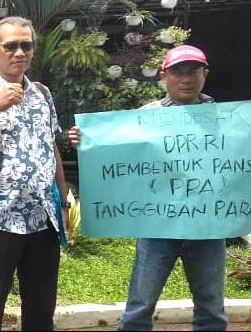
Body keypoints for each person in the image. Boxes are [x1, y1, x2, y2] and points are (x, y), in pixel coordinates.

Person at [68, 44, 227, 331]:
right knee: (139, 309)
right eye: (178, 71)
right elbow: (116, 151)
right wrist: (86, 139)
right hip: (158, 226)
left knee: (212, 311)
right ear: (164, 76)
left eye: (193, 71)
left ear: (206, 74)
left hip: (208, 227)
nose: (186, 78)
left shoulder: (228, 119)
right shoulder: (146, 115)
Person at [0, 16, 70, 331]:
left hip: (42, 220)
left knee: (41, 307)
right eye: (11, 46)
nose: (20, 52)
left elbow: (52, 149)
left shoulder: (43, 95)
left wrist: (63, 198)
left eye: (26, 45)